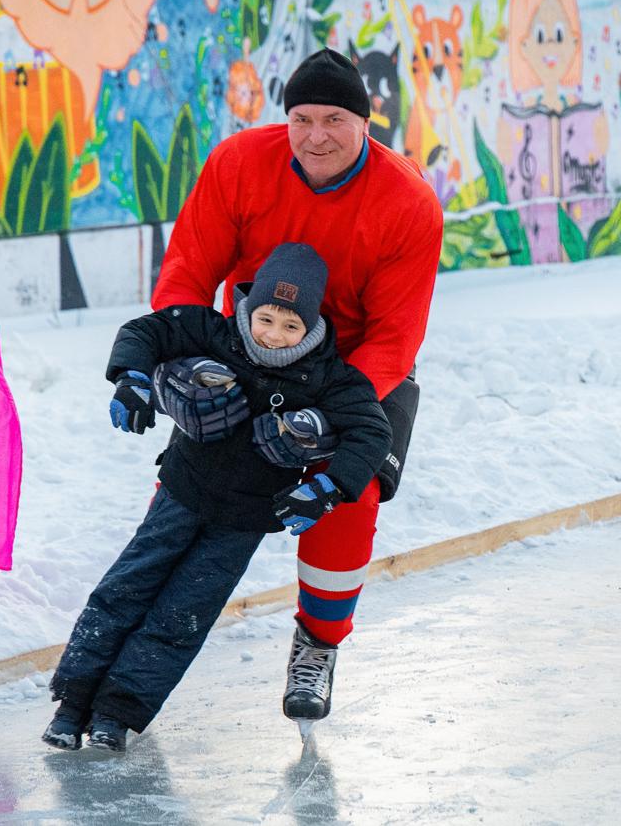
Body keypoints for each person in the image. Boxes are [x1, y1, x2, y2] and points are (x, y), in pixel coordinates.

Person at [148, 48, 444, 724]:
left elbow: (396, 336)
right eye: (302, 118)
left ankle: (319, 642)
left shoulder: (410, 204)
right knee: (186, 485)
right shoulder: (236, 165)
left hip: (359, 370)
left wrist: (324, 421)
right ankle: (143, 631)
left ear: (364, 123)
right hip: (250, 354)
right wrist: (188, 362)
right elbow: (187, 274)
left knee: (352, 487)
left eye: (334, 119)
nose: (316, 134)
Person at [44, 243, 391, 751]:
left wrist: (327, 488)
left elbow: (372, 433)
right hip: (181, 496)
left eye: (291, 327)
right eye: (267, 318)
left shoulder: (327, 375)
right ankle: (72, 703)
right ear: (250, 307)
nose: (274, 335)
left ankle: (116, 715)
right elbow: (145, 331)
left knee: (181, 617)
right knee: (125, 590)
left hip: (243, 520)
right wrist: (133, 379)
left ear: (311, 327)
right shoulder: (215, 331)